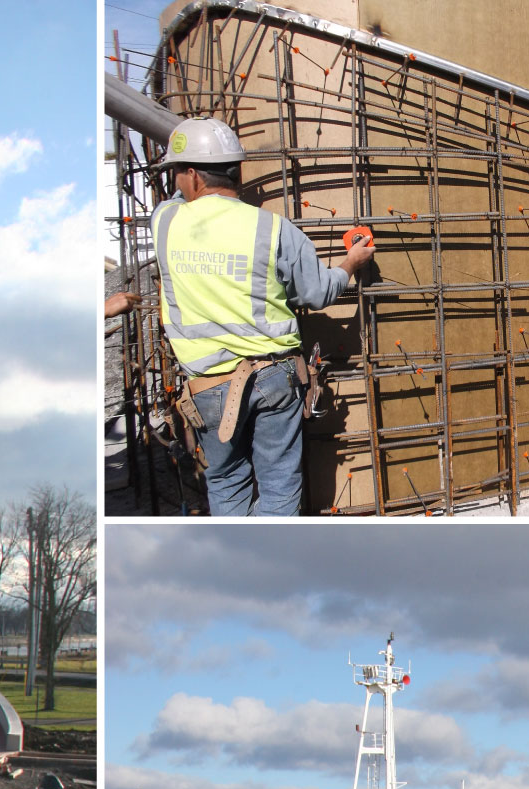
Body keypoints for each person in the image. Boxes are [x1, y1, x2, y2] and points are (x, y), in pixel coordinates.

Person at [152, 116, 376, 516]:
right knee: (278, 487)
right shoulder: (273, 229)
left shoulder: (165, 221)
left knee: (225, 484)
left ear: (192, 176)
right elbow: (318, 292)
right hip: (274, 378)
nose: (176, 184)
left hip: (208, 386)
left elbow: (176, 199)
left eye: (178, 174)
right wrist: (351, 262)